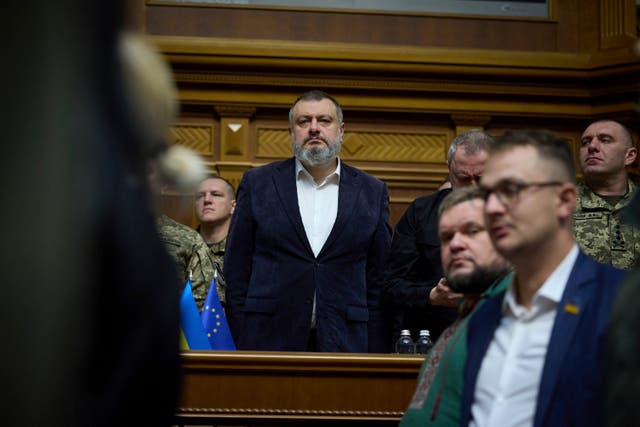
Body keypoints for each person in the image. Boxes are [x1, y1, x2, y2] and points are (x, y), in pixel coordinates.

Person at [460, 130, 625, 427]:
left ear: (563, 200)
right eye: (487, 195)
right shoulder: (483, 318)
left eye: (511, 189)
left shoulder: (622, 306)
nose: (493, 208)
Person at [224, 90, 392, 352]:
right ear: (292, 132)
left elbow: (378, 277)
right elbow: (236, 269)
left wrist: (376, 347)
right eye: (304, 122)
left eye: (324, 120)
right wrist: (241, 334)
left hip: (346, 341)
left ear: (341, 130)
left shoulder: (372, 191)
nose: (314, 129)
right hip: (266, 340)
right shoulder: (258, 184)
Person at [400, 187, 511, 427]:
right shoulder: (472, 310)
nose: (456, 244)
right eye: (447, 237)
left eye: (472, 231)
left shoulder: (520, 309)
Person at [382, 129, 493, 344]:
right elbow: (391, 285)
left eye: (481, 178)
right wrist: (432, 295)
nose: (472, 187)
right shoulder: (421, 213)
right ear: (449, 169)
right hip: (433, 338)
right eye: (463, 178)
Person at [574, 119, 639, 269]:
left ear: (629, 156)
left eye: (605, 140)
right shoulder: (557, 205)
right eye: (585, 142)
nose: (592, 146)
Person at [194, 174, 236, 304]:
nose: (207, 200)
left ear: (233, 206)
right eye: (200, 196)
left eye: (216, 194)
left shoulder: (244, 252)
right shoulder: (180, 249)